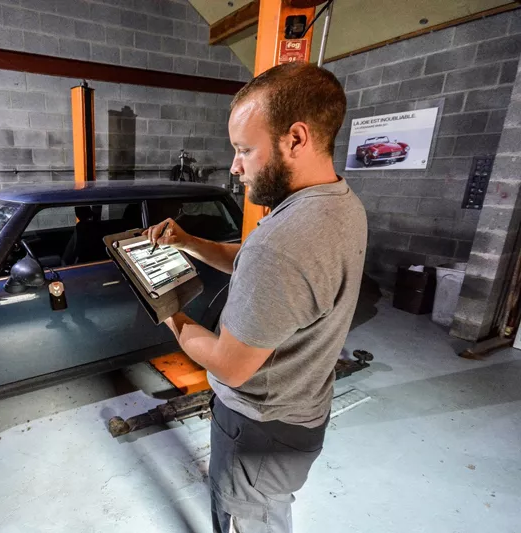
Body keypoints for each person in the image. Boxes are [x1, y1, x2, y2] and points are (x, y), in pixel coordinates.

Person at [144, 62, 367, 532]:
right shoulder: (336, 203)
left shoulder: (284, 239)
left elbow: (229, 364)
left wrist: (166, 306)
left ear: (296, 139)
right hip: (299, 414)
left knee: (250, 519)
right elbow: (252, 260)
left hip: (260, 428)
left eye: (245, 149)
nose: (234, 165)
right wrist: (188, 241)